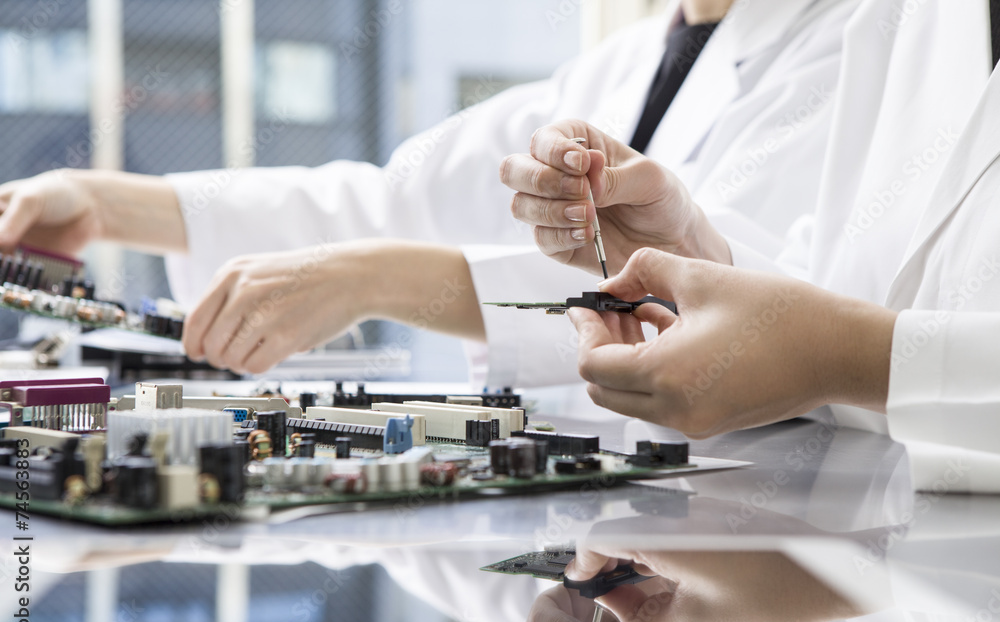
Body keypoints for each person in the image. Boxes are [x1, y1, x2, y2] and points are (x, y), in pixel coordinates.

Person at [0, 0, 859, 379]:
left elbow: (728, 292)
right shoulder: (621, 63)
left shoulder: (850, 43)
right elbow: (394, 198)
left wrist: (370, 277)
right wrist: (103, 202)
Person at [504, 0, 1000, 491]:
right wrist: (687, 246)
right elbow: (852, 290)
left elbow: (851, 343)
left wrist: (843, 359)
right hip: (875, 539)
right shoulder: (903, 15)